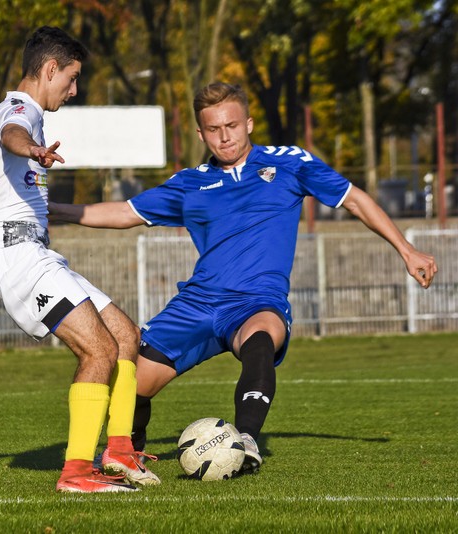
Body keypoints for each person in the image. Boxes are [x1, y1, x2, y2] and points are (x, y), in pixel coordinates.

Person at [48, 82, 438, 473]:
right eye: (214, 129)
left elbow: (353, 198)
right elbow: (124, 213)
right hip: (197, 304)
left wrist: (407, 250)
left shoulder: (289, 163)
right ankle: (127, 454)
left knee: (262, 335)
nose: (224, 136)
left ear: (248, 123)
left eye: (232, 125)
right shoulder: (190, 183)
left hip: (255, 302)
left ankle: (246, 440)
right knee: (129, 380)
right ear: (201, 133)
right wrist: (55, 211)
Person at [0, 26, 159, 492]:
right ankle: (77, 473)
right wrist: (31, 147)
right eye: (71, 79)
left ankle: (119, 453)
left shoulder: (3, 122)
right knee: (99, 349)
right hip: (17, 256)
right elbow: (16, 134)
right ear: (50, 69)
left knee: (125, 334)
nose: (74, 90)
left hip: (33, 252)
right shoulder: (20, 114)